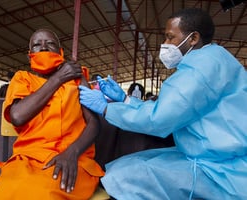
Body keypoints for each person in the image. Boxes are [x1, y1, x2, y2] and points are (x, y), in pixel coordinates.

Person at [79, 8, 247, 199]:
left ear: (193, 38)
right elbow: (169, 107)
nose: (165, 44)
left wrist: (107, 108)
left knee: (124, 176)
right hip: (218, 157)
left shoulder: (199, 70)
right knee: (132, 163)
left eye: (170, 37)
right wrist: (125, 100)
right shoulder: (216, 58)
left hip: (219, 170)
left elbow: (159, 118)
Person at [0, 28, 104, 200]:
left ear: (61, 52)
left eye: (50, 44)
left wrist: (72, 153)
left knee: (44, 193)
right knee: (3, 194)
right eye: (37, 45)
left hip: (73, 159)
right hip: (28, 159)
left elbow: (94, 124)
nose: (43, 48)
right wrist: (58, 78)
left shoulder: (77, 79)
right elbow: (18, 116)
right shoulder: (22, 79)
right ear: (30, 56)